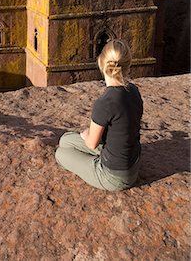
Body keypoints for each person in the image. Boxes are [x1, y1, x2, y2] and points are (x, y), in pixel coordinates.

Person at [55, 39, 143, 191]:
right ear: (128, 64)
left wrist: (86, 135)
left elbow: (91, 144)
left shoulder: (104, 103)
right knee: (65, 140)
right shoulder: (134, 91)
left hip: (114, 177)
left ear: (101, 63)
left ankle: (94, 165)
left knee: (61, 153)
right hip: (131, 162)